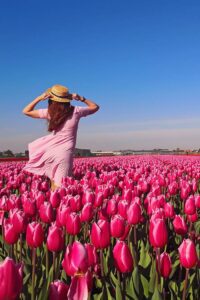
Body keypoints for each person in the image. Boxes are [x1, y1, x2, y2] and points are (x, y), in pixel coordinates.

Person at [22, 84, 99, 190]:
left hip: (49, 150)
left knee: (53, 181)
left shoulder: (50, 112)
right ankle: (56, 205)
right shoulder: (76, 111)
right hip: (64, 152)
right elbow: (95, 107)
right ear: (67, 99)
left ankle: (51, 204)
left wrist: (39, 98)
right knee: (60, 186)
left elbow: (26, 111)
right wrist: (81, 98)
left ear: (51, 100)